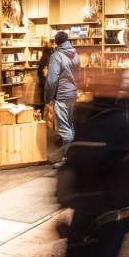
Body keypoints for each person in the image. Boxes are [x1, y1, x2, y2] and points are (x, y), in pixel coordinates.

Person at [57, 66, 129, 257]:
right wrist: (64, 194)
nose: (99, 81)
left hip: (111, 206)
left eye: (108, 79)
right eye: (97, 78)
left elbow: (113, 162)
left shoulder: (123, 116)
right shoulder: (88, 113)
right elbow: (75, 156)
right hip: (88, 202)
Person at [46, 31, 81, 167]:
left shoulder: (56, 56)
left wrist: (48, 98)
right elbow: (79, 76)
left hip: (60, 95)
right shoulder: (75, 55)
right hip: (72, 94)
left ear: (56, 42)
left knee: (64, 129)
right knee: (69, 126)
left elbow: (51, 81)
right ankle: (72, 157)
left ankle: (68, 159)